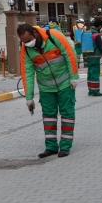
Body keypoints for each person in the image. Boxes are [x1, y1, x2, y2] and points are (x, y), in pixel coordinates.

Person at [18, 23, 79, 158]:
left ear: (34, 33)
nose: (26, 44)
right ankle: (51, 146)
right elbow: (27, 72)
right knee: (48, 116)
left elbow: (70, 54)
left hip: (65, 84)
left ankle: (65, 145)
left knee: (67, 114)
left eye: (28, 40)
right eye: (23, 42)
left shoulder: (54, 36)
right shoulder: (26, 50)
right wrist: (29, 97)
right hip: (46, 88)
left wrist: (73, 76)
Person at [83, 18, 102, 97]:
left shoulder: (87, 33)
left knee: (90, 73)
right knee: (95, 74)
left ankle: (91, 90)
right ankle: (95, 92)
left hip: (88, 58)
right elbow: (101, 48)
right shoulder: (96, 35)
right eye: (101, 26)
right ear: (99, 26)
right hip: (95, 58)